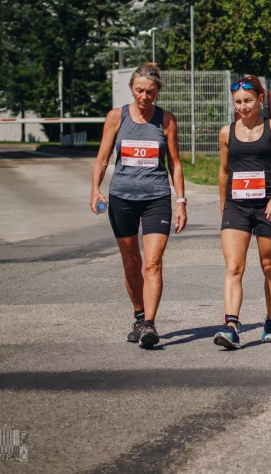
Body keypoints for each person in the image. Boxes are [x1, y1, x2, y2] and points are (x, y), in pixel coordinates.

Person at [91, 63, 187, 349]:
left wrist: (181, 202)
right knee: (131, 263)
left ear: (158, 92)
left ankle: (150, 324)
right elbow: (102, 158)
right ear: (131, 89)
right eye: (139, 91)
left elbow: (176, 164)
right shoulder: (116, 117)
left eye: (151, 92)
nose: (145, 96)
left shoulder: (166, 120)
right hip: (122, 198)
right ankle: (138, 314)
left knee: (152, 262)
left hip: (157, 198)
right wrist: (95, 190)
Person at [213, 76, 271, 350]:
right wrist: (223, 205)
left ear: (260, 99)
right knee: (234, 266)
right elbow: (223, 171)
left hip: (268, 205)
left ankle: (270, 321)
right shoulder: (226, 132)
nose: (242, 107)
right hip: (236, 206)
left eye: (247, 101)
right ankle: (231, 326)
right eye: (237, 103)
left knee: (269, 267)